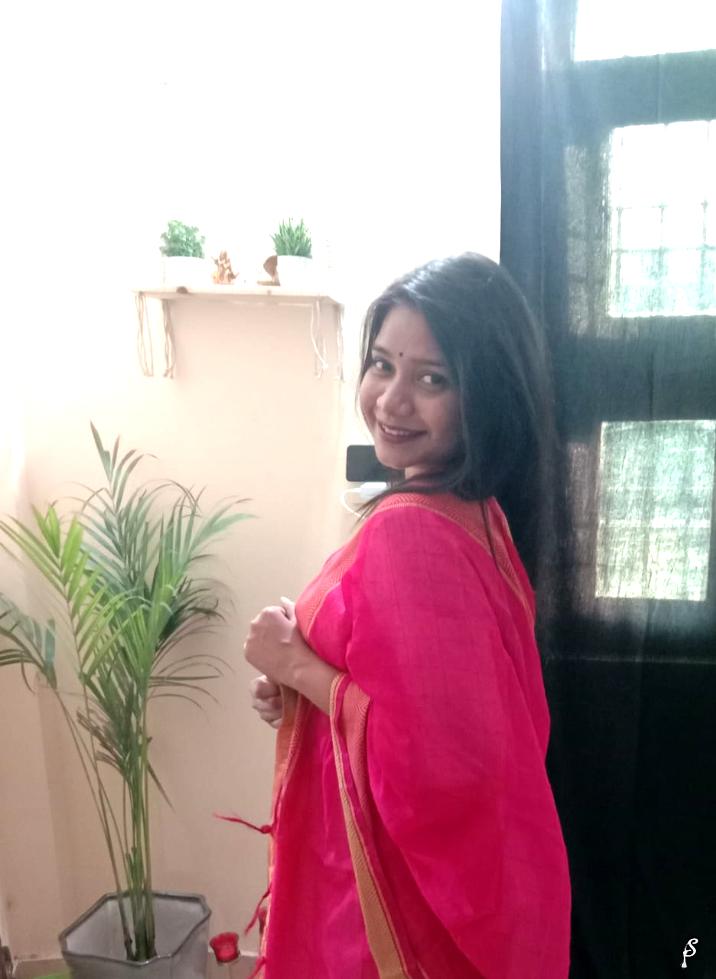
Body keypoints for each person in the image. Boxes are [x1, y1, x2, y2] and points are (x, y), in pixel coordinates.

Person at [243, 253, 572, 978]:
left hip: (397, 911)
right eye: (382, 365)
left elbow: (437, 768)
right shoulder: (478, 513)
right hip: (483, 882)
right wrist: (303, 681)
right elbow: (424, 701)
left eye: (432, 379)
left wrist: (296, 664)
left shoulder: (410, 531)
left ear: (485, 394)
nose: (391, 401)